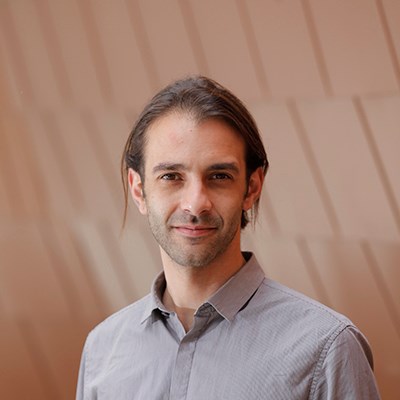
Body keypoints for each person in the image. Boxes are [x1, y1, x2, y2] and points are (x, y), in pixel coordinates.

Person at [76, 76, 380, 399]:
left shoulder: (328, 350)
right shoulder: (102, 351)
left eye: (219, 176)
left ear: (252, 187)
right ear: (139, 189)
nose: (195, 203)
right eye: (171, 177)